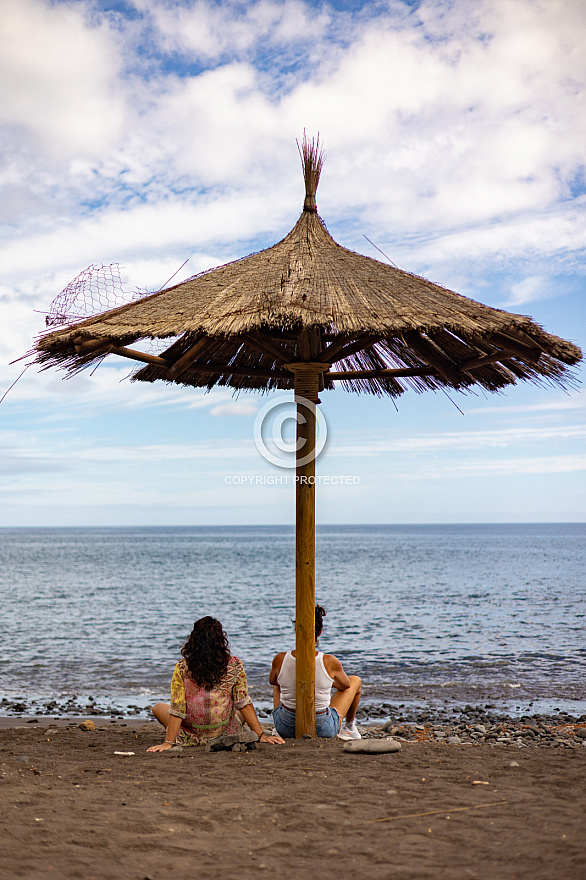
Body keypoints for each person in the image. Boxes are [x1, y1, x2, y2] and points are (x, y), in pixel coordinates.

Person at [147, 616, 284, 751]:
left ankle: (182, 734)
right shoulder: (234, 665)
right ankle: (240, 729)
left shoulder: (182, 667)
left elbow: (178, 708)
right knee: (240, 711)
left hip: (190, 735)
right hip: (224, 733)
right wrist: (261, 736)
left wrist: (168, 743)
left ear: (193, 640)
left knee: (158, 708)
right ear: (221, 640)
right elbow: (243, 702)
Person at [269, 604, 362, 740]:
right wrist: (324, 682)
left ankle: (277, 728)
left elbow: (272, 681)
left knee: (278, 682)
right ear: (319, 632)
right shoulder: (329, 661)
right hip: (322, 728)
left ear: (296, 630)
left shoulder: (280, 659)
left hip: (284, 727)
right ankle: (349, 727)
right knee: (355, 681)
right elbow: (345, 686)